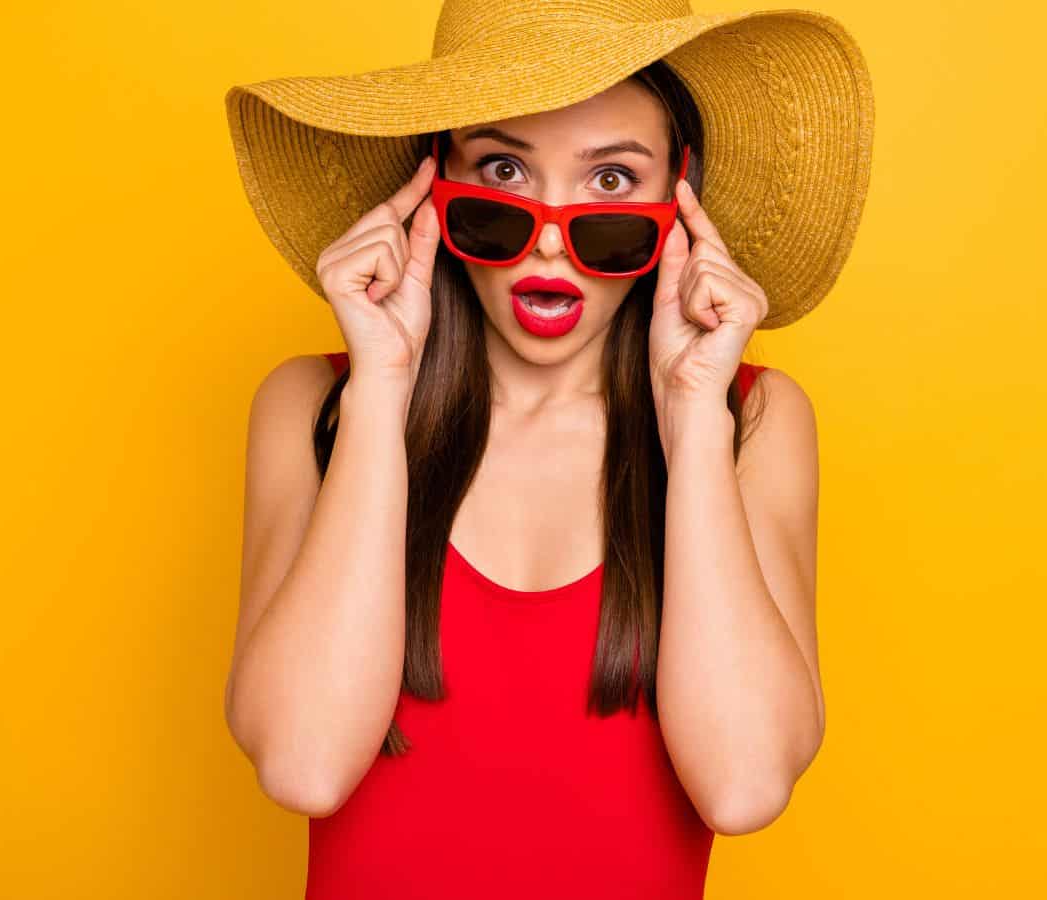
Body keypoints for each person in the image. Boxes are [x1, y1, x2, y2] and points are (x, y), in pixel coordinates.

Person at [220, 1, 873, 896]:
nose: (551, 244)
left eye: (610, 183)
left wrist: (692, 417)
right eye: (503, 170)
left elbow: (745, 784)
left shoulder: (753, 422)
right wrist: (380, 386)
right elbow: (302, 765)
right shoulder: (315, 407)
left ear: (678, 196)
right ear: (431, 183)